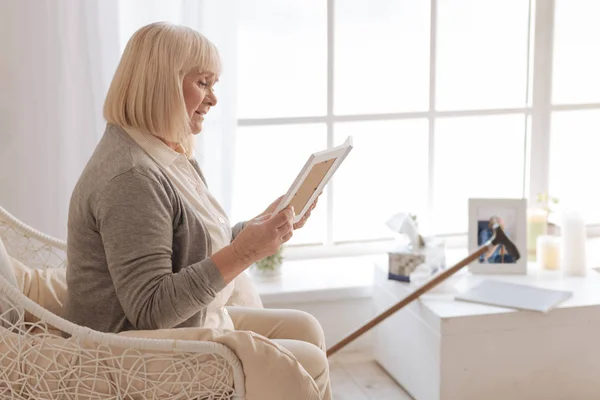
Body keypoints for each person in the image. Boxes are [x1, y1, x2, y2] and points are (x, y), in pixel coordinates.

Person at [63, 22, 331, 399]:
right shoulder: (131, 177)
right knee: (307, 358)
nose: (213, 99)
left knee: (304, 328)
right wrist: (245, 252)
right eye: (203, 83)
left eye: (214, 85)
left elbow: (190, 248)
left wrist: (258, 229)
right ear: (163, 85)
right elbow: (152, 310)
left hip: (186, 324)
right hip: (133, 352)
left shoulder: (164, 152)